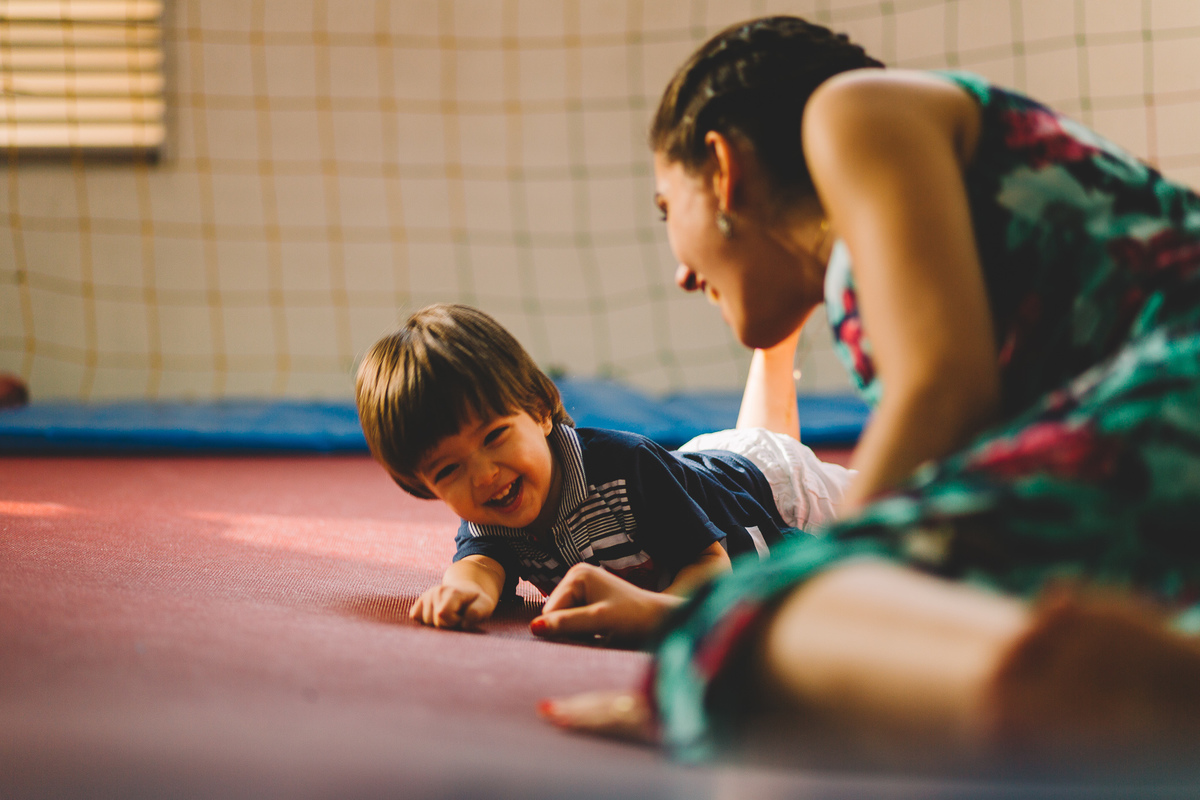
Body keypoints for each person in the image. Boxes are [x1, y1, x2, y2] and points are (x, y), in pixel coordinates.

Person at [529, 15, 1200, 765]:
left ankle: (1131, 696)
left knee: (755, 628)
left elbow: (943, 391)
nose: (682, 275)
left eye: (665, 208)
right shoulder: (897, 284)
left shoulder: (852, 110)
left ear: (723, 168)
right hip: (1161, 448)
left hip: (1177, 394)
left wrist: (724, 640)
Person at [355, 303, 853, 630]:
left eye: (494, 436)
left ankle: (778, 326)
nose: (483, 475)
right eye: (447, 471)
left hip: (778, 488)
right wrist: (463, 591)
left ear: (540, 408)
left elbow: (710, 564)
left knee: (901, 514)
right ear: (422, 485)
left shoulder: (625, 468)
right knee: (754, 440)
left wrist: (654, 617)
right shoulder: (491, 511)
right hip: (701, 469)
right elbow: (480, 563)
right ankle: (776, 344)